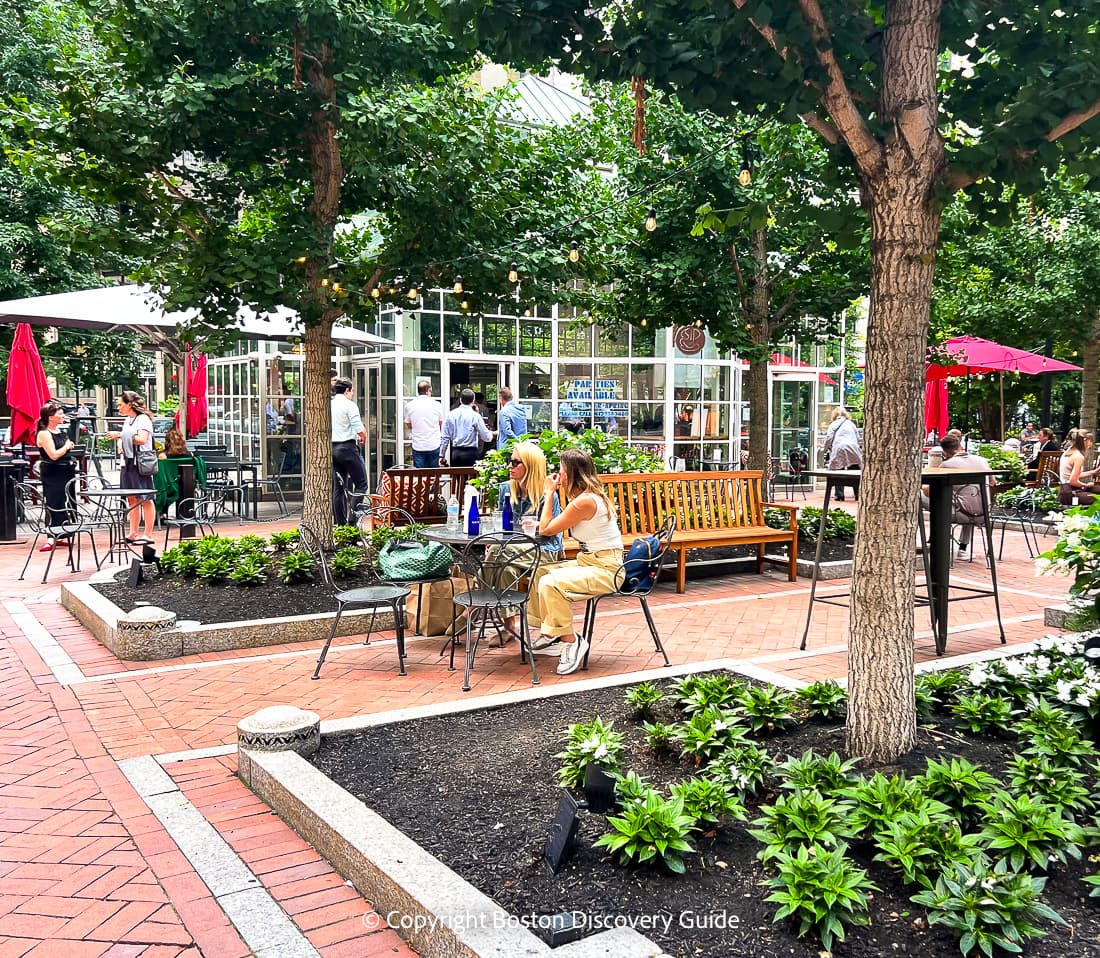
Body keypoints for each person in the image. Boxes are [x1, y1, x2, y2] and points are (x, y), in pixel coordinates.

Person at [528, 448, 624, 675]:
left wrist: (548, 493)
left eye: (561, 471)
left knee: (551, 584)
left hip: (607, 569)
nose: (558, 476)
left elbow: (546, 529)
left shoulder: (585, 502)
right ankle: (551, 633)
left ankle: (571, 641)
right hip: (590, 561)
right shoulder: (585, 497)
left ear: (571, 474)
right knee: (539, 571)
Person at [492, 442, 564, 641]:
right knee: (505, 569)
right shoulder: (506, 489)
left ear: (531, 466)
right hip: (511, 550)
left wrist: (536, 524)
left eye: (516, 462)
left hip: (543, 549)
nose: (510, 466)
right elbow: (500, 523)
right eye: (510, 461)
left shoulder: (546, 493)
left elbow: (553, 530)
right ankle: (509, 628)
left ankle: (471, 608)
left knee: (496, 552)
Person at [922, 435, 994, 556]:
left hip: (958, 514)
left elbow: (929, 492)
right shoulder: (982, 460)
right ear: (961, 446)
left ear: (944, 452)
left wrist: (923, 487)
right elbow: (992, 482)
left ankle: (934, 543)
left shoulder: (947, 465)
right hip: (985, 512)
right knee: (968, 502)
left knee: (922, 497)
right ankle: (963, 548)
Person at [106, 390, 156, 544]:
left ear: (129, 404)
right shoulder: (129, 420)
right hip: (127, 462)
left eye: (120, 405)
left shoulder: (143, 419)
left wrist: (120, 436)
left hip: (139, 463)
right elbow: (127, 437)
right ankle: (133, 532)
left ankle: (148, 534)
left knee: (145, 497)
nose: (118, 407)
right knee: (131, 498)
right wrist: (121, 443)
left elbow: (142, 439)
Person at [35, 401, 77, 552]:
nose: (62, 416)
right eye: (60, 413)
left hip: (66, 470)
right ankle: (51, 536)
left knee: (64, 501)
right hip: (53, 471)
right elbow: (53, 455)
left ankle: (61, 533)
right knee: (53, 501)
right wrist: (67, 446)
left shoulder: (59, 431)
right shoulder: (44, 433)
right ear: (50, 417)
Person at [330, 376, 368, 525]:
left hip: (333, 449)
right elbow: (359, 428)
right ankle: (352, 523)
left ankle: (340, 524)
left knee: (338, 488)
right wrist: (363, 437)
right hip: (347, 447)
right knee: (361, 484)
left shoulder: (330, 404)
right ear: (347, 390)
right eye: (352, 391)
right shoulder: (350, 405)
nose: (352, 394)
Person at [440, 389, 493, 467]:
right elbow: (486, 437)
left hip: (456, 453)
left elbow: (445, 437)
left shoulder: (450, 415)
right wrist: (490, 434)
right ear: (473, 401)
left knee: (457, 478)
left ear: (460, 400)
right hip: (471, 453)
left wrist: (442, 455)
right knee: (472, 478)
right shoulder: (475, 416)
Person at [822, 408, 862, 501]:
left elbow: (829, 438)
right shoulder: (851, 424)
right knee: (854, 469)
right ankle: (858, 494)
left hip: (839, 448)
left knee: (838, 470)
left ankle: (839, 495)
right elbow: (858, 437)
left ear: (835, 415)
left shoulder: (833, 424)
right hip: (853, 447)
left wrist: (825, 449)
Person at [404, 379, 444, 467]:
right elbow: (441, 423)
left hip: (418, 444)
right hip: (433, 444)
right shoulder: (437, 405)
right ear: (428, 391)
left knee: (419, 475)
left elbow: (408, 424)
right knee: (434, 475)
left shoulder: (409, 405)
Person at [1059, 429, 1098, 506]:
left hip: (1064, 490)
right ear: (1085, 441)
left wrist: (1093, 472)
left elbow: (1073, 475)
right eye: (1090, 441)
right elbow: (1073, 481)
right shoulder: (1078, 456)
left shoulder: (1068, 452)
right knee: (1097, 500)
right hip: (1070, 493)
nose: (1090, 444)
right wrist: (1086, 485)